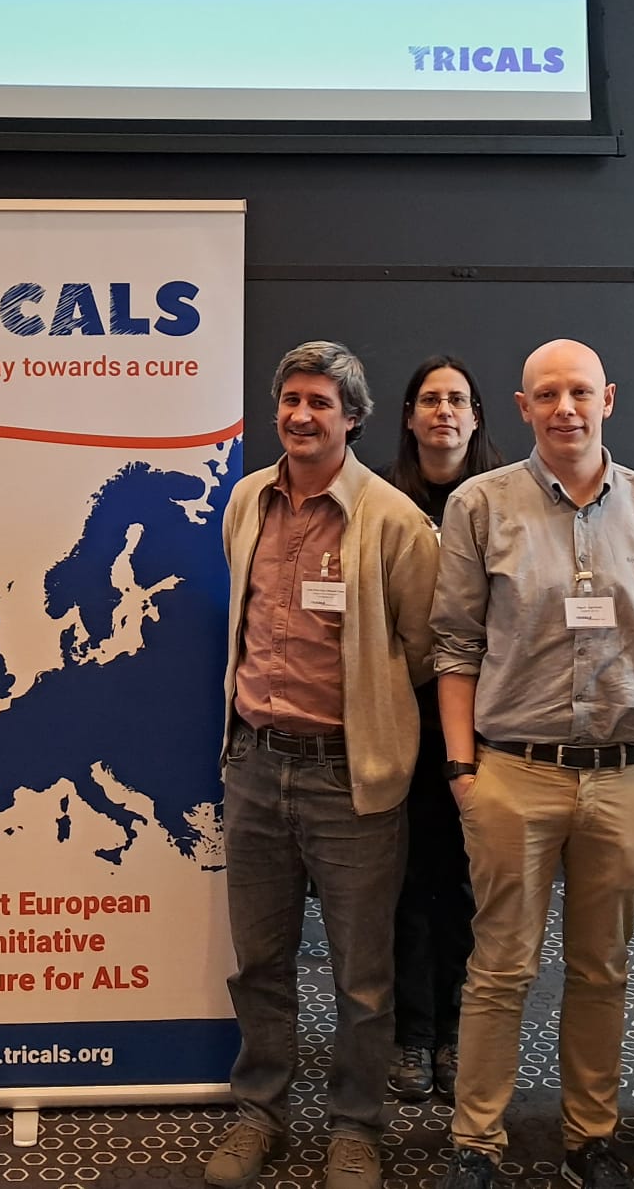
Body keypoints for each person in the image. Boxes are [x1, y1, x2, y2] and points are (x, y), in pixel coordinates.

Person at [433, 339, 634, 1189]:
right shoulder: (480, 504)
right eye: (546, 394)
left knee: (602, 968)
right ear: (522, 407)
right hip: (513, 773)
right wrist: (463, 772)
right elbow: (454, 646)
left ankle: (591, 1136)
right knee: (499, 967)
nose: (565, 408)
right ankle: (476, 1139)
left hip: (629, 777)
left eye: (580, 392)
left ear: (608, 399)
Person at [202, 342, 439, 1189]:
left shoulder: (394, 520)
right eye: (291, 399)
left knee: (362, 975)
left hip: (350, 776)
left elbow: (423, 647)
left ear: (354, 418)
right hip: (254, 765)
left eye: (321, 403)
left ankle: (355, 1126)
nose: (301, 416)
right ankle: (259, 1111)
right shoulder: (245, 502)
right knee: (258, 961)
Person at [383, 355, 503, 1101]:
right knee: (404, 881)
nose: (444, 412)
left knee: (465, 883)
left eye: (457, 399)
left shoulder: (507, 498)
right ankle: (412, 1032)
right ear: (409, 416)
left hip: (486, 718)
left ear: (476, 415)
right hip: (398, 715)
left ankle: (457, 1029)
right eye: (429, 399)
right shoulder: (378, 498)